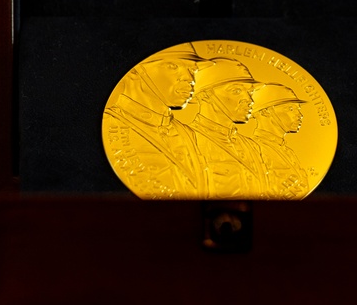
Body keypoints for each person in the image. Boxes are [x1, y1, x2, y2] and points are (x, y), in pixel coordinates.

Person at [104, 43, 208, 197]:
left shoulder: (186, 132)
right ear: (137, 71)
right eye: (173, 66)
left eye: (192, 69)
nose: (189, 78)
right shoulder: (111, 123)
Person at [188, 58, 268, 198]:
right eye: (236, 91)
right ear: (205, 95)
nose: (249, 100)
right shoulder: (189, 140)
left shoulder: (251, 146)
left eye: (250, 92)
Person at [249, 83, 310, 199]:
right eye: (290, 109)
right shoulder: (254, 150)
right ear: (265, 111)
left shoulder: (288, 151)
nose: (300, 115)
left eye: (298, 109)